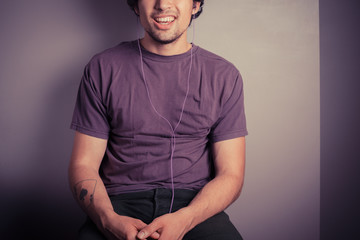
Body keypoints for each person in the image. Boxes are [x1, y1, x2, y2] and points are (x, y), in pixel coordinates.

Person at [69, 0, 247, 239]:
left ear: (195, 5)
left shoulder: (225, 76)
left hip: (195, 205)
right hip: (118, 205)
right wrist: (109, 221)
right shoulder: (102, 68)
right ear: (135, 5)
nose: (163, 4)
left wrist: (186, 219)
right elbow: (84, 164)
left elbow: (231, 175)